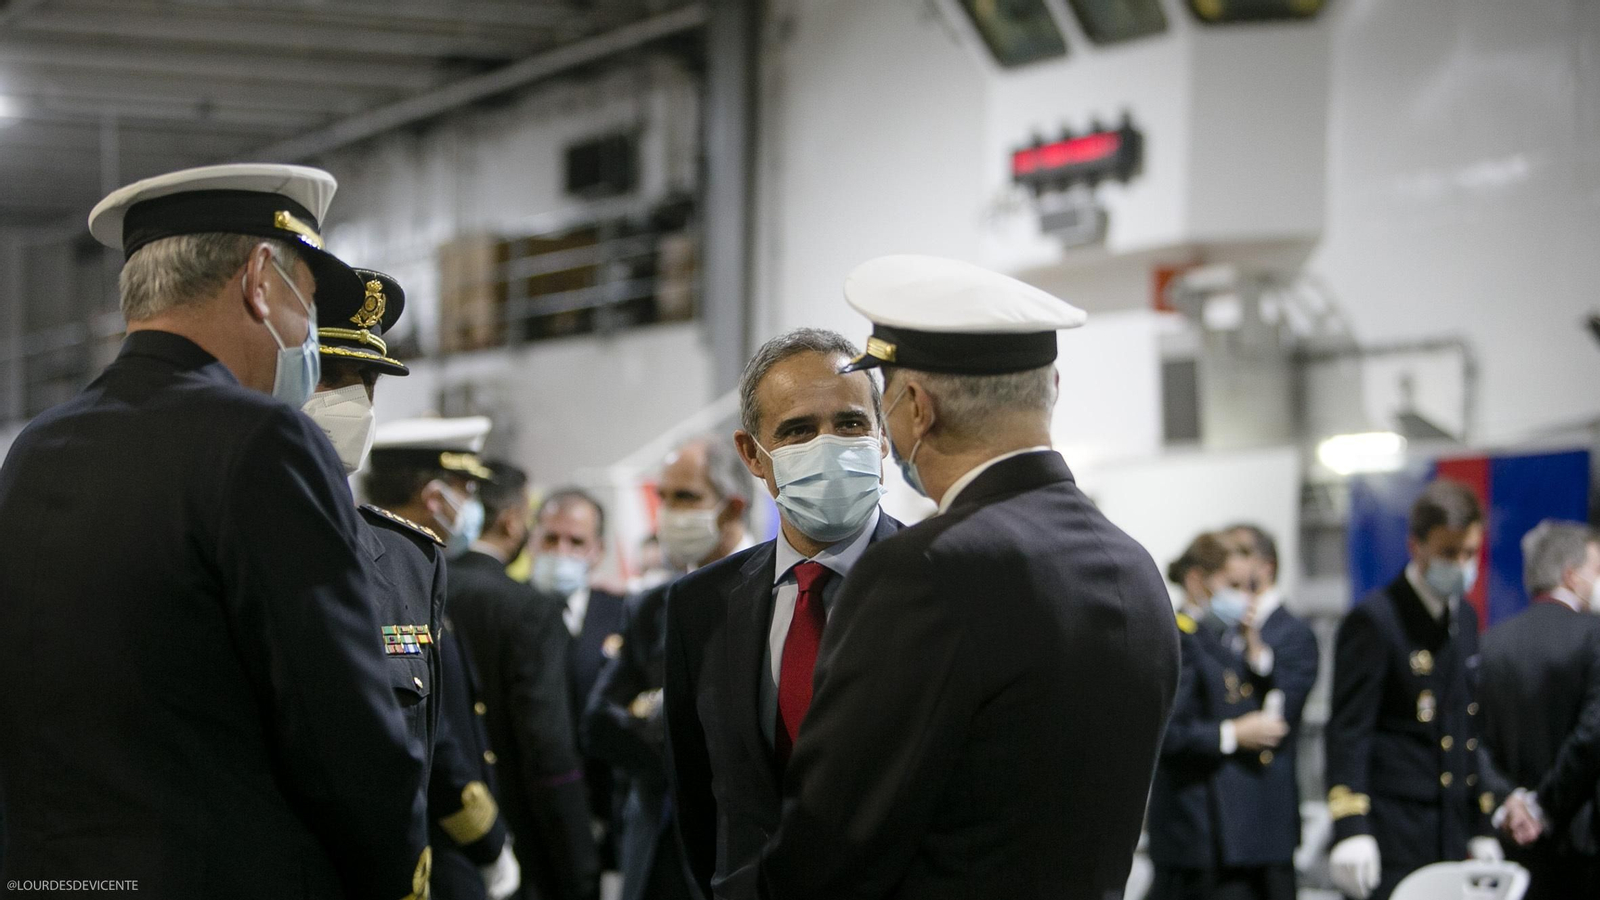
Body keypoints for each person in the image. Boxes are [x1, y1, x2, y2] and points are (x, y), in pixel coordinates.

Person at [0, 163, 429, 898]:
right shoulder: (261, 441)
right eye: (308, 304)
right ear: (261, 280)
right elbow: (342, 734)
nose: (308, 339)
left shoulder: (37, 448)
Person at [756, 256, 1180, 900]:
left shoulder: (926, 569)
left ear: (917, 409)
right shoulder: (1132, 563)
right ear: (1053, 387)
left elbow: (833, 840)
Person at [664, 326, 909, 900]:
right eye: (798, 430)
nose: (828, 444)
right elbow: (696, 792)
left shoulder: (941, 583)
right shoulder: (699, 605)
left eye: (849, 424)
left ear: (881, 439)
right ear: (753, 454)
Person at [584, 435, 757, 900]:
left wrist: (654, 715)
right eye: (663, 496)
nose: (667, 511)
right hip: (656, 841)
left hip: (742, 849)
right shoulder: (652, 605)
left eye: (685, 497)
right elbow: (600, 721)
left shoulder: (777, 594)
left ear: (732, 507)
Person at [358, 405, 518, 900]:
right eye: (466, 491)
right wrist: (487, 837)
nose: (472, 506)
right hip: (434, 849)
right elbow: (430, 733)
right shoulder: (387, 577)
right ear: (434, 497)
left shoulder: (420, 573)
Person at [1325, 479, 1503, 900]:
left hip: (1450, 828)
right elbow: (1349, 731)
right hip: (1393, 832)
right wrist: (1351, 827)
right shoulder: (1376, 619)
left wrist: (1480, 823)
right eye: (1448, 553)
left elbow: (1464, 726)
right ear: (1416, 546)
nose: (1460, 565)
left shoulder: (1467, 619)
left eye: (1469, 553)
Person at [449, 461, 601, 900]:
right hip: (521, 838)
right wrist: (579, 865)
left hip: (445, 830)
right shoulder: (528, 608)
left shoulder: (429, 581)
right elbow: (548, 747)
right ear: (515, 520)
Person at [1148, 531, 1312, 900]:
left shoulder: (1217, 639)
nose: (1243, 597)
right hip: (1195, 831)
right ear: (1197, 580)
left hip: (1232, 834)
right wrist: (1232, 734)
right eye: (1233, 585)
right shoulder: (1177, 639)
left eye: (1247, 586)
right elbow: (1168, 732)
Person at [1478, 520, 1600, 899]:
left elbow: (1471, 739)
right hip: (1583, 843)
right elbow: (1592, 734)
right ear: (1571, 574)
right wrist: (1544, 805)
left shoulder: (1488, 643)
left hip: (1512, 843)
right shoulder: (1594, 635)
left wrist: (1510, 801)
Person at [532, 488, 628, 865]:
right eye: (551, 538)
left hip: (604, 805)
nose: (562, 551)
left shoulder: (622, 614)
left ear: (597, 550)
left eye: (576, 541)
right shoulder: (511, 609)